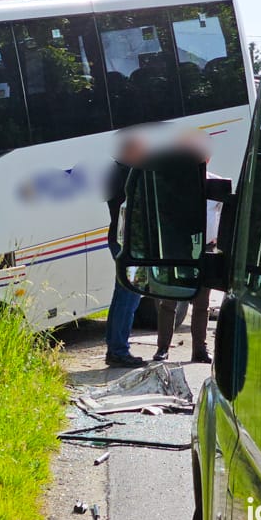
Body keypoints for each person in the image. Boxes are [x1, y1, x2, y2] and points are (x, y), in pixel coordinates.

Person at [153, 157, 222, 364]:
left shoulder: (216, 183)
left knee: (202, 304)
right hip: (178, 248)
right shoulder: (175, 184)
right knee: (169, 300)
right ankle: (162, 348)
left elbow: (223, 213)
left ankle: (200, 350)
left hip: (206, 249)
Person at [105, 131, 148, 368]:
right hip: (127, 243)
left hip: (121, 241)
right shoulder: (126, 175)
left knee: (123, 295)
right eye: (142, 152)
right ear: (131, 151)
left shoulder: (119, 172)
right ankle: (119, 350)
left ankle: (116, 347)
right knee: (129, 296)